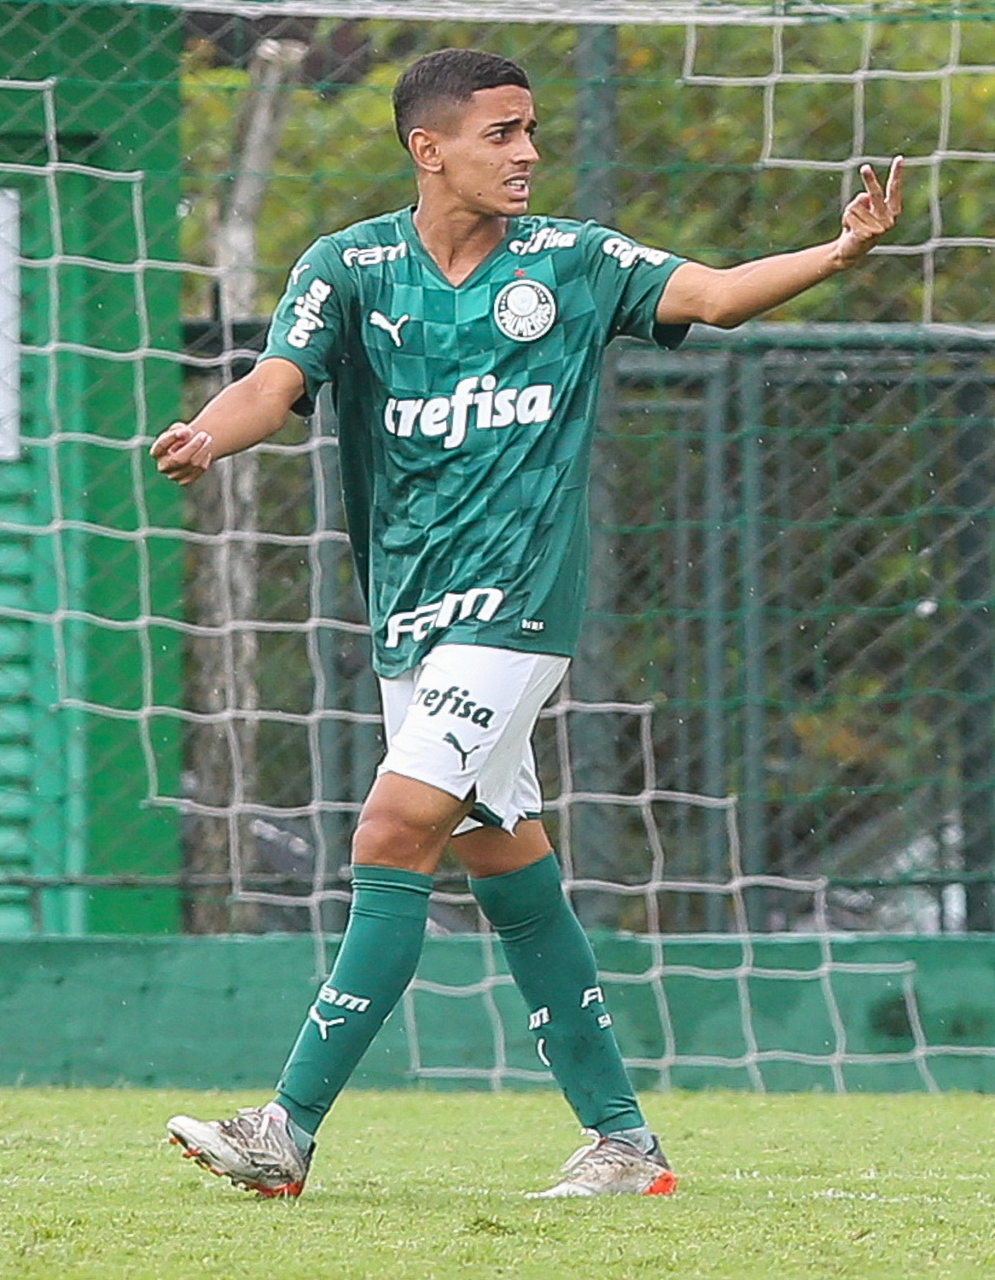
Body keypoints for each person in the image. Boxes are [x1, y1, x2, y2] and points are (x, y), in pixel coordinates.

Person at [154, 48, 902, 1199]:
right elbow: (274, 380)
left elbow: (712, 294)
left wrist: (838, 252)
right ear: (428, 147)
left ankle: (285, 1126)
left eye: (532, 129)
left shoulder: (572, 261)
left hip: (515, 611)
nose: (528, 152)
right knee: (507, 867)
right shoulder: (349, 266)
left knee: (390, 831)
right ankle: (625, 1142)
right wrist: (210, 431)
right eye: (501, 132)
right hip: (410, 619)